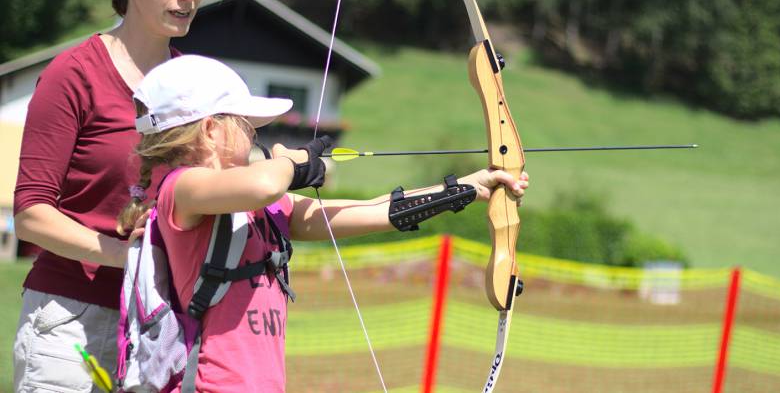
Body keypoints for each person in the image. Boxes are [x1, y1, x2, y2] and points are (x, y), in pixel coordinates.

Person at [115, 54, 530, 392]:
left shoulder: (263, 205)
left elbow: (372, 210)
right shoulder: (179, 190)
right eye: (244, 124)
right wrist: (290, 164)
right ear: (210, 131)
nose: (254, 133)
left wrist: (462, 190)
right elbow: (263, 182)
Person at [12, 0, 213, 390]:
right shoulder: (73, 74)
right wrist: (130, 258)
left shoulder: (196, 87)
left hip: (164, 326)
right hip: (70, 324)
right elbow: (31, 216)